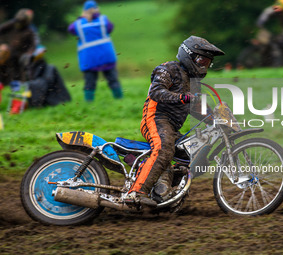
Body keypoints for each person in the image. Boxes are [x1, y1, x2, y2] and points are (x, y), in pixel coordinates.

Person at [125, 36, 224, 207]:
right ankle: (136, 192)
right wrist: (182, 97)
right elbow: (156, 92)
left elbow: (195, 107)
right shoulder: (168, 69)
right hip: (155, 118)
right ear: (189, 56)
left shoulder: (194, 82)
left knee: (189, 155)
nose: (204, 66)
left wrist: (216, 120)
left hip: (171, 127)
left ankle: (166, 194)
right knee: (164, 149)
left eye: (207, 62)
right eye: (201, 60)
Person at [68, 0, 123, 102]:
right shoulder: (103, 20)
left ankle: (89, 103)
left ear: (84, 11)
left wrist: (82, 17)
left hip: (90, 58)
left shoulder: (79, 24)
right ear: (97, 9)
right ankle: (120, 100)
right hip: (106, 56)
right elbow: (110, 28)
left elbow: (70, 29)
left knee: (90, 82)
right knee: (113, 79)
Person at [0, 9, 36, 85]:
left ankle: (22, 83)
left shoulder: (29, 31)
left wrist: (29, 54)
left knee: (22, 63)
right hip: (9, 51)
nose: (19, 24)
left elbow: (33, 45)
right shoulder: (11, 25)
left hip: (21, 54)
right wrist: (2, 44)